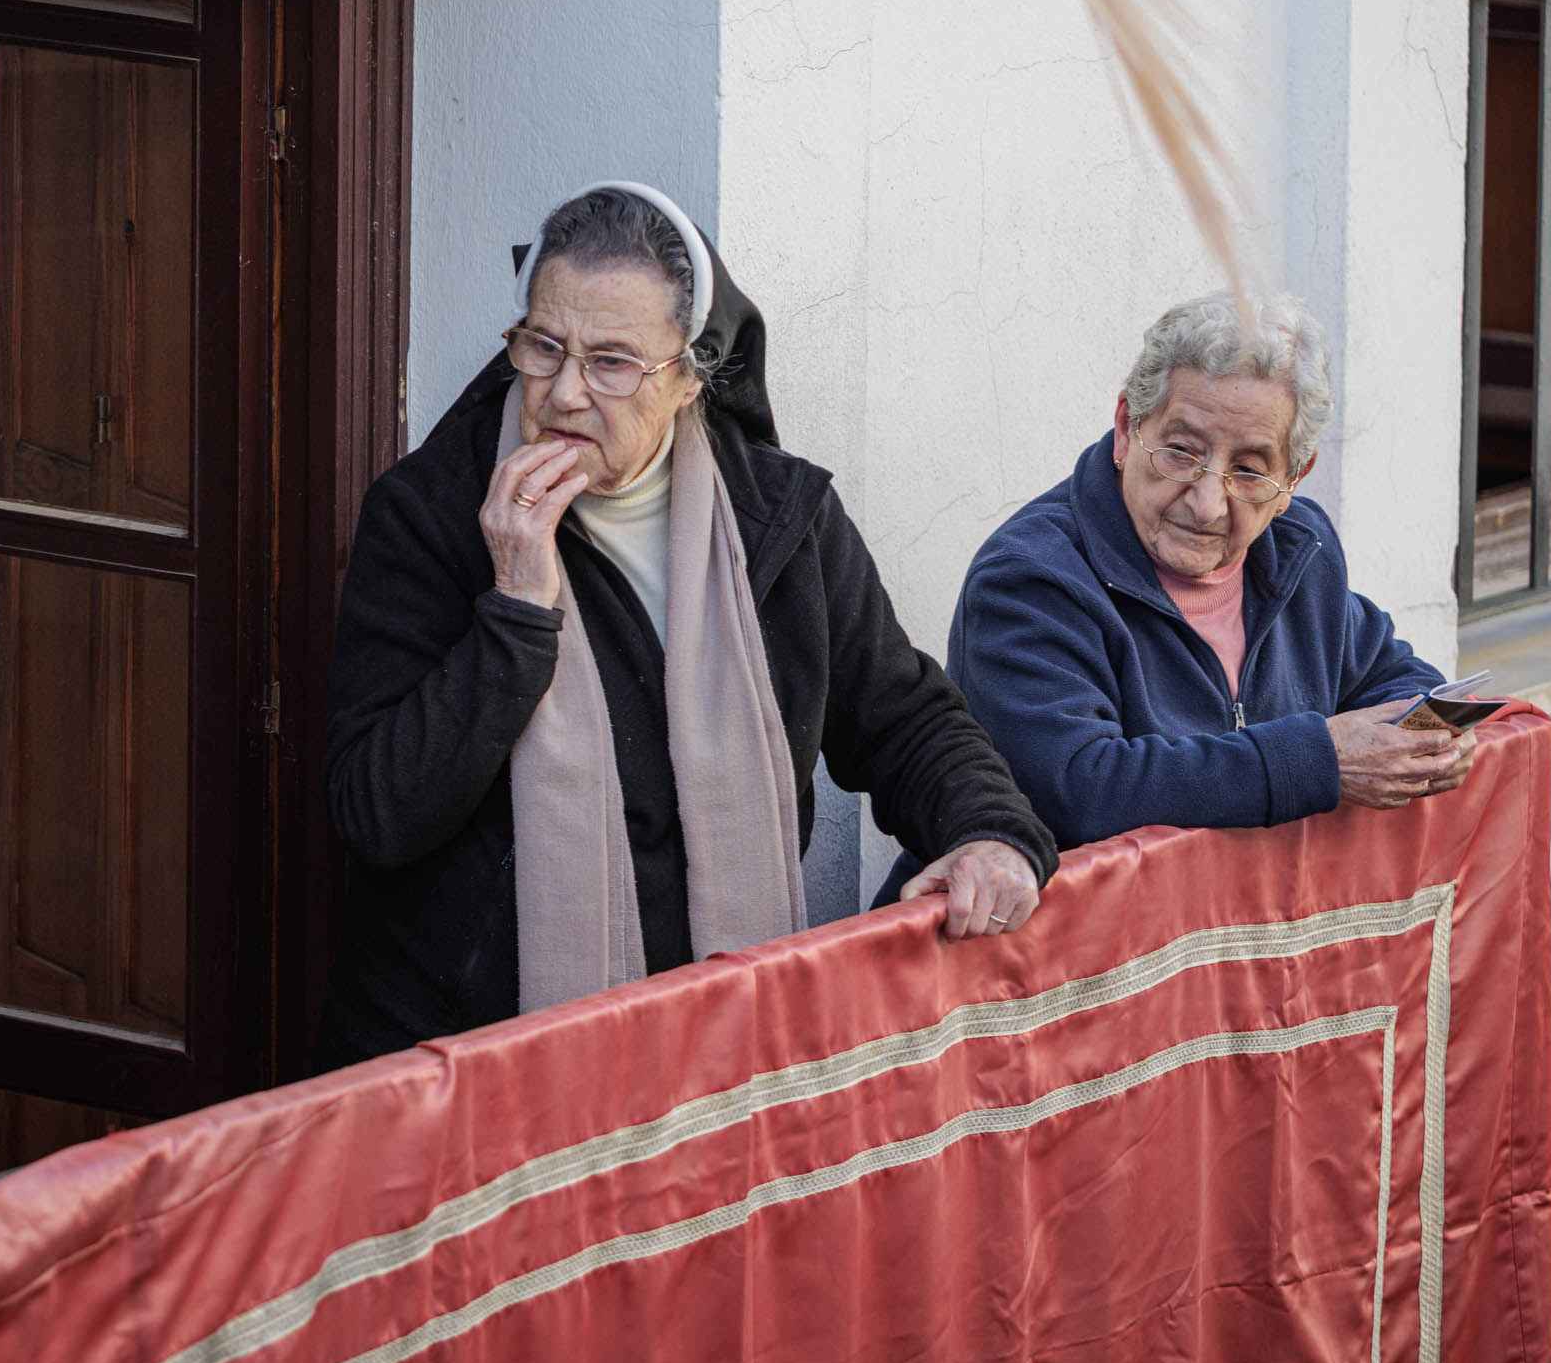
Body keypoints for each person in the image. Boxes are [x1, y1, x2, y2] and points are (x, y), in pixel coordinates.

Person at [318, 182, 1059, 1065]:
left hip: (720, 1058)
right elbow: (375, 811)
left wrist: (991, 834)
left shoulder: (780, 519)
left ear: (688, 376)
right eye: (543, 346)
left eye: (611, 362)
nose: (561, 391)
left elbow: (902, 717)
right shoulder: (431, 516)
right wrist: (516, 607)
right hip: (473, 1064)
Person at [946, 290, 1473, 854]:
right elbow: (1078, 789)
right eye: (1181, 452)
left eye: (1248, 471)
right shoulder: (1031, 578)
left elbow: (1394, 676)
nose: (1207, 503)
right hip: (1063, 935)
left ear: (1295, 478)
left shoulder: (1297, 549)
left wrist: (1423, 742)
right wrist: (1317, 762)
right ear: (1127, 427)